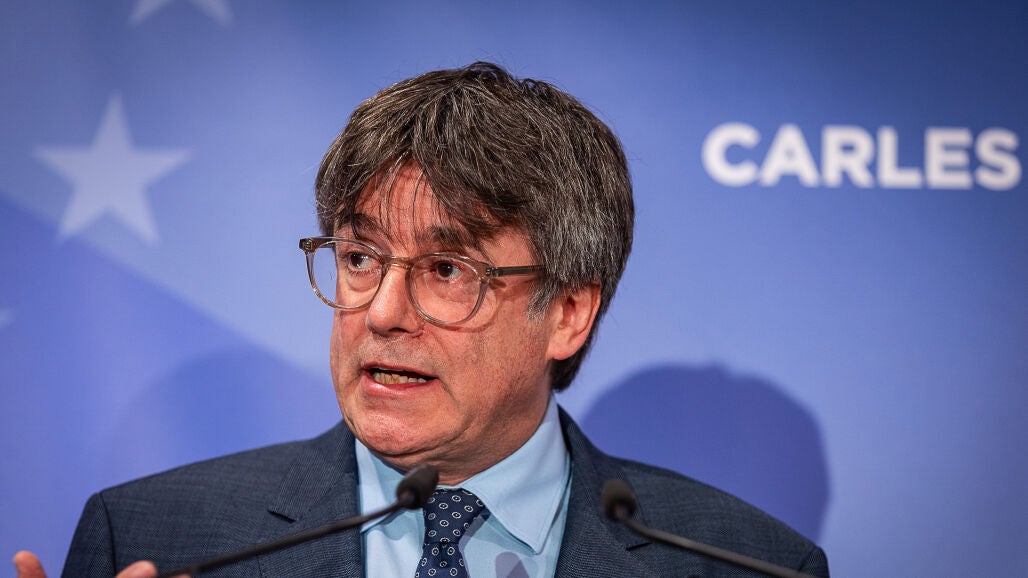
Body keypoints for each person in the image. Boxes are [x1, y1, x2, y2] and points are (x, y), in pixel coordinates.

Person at [14, 62, 829, 577]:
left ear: (569, 312)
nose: (382, 312)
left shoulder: (750, 564)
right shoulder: (155, 538)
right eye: (360, 257)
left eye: (446, 270)